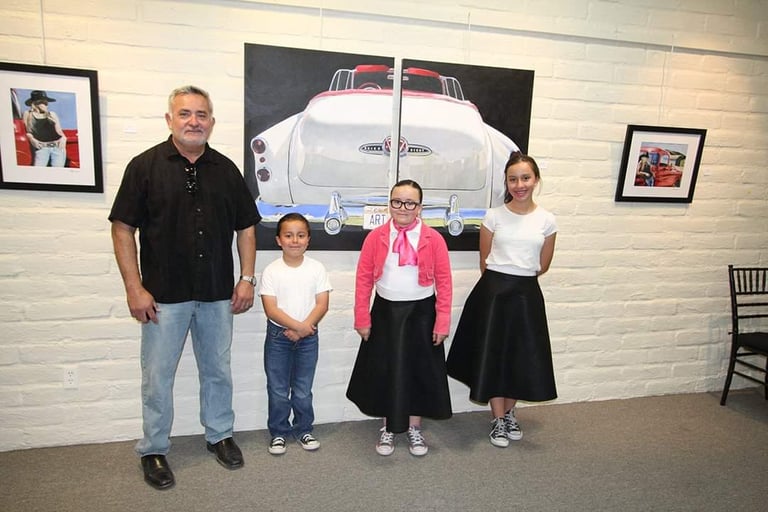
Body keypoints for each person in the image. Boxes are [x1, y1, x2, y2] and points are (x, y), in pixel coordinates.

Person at [109, 85, 261, 490]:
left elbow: (246, 227)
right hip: (162, 296)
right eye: (185, 114)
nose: (194, 122)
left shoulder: (226, 170)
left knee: (218, 370)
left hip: (216, 292)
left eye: (201, 114)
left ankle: (220, 435)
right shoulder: (144, 167)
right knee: (157, 376)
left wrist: (247, 278)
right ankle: (154, 449)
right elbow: (122, 229)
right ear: (169, 119)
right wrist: (134, 288)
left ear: (211, 121)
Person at [447, 151, 557, 448]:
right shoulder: (493, 216)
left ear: (536, 180)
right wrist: (502, 280)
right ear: (506, 183)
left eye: (525, 178)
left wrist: (520, 277)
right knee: (493, 355)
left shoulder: (547, 220)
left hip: (526, 295)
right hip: (494, 294)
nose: (519, 185)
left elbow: (543, 264)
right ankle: (497, 418)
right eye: (513, 179)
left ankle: (510, 413)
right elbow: (485, 261)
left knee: (520, 355)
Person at [346, 180, 453, 457]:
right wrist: (362, 317)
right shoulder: (376, 237)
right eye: (397, 201)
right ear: (389, 204)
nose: (402, 208)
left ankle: (414, 427)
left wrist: (442, 321)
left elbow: (444, 281)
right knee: (388, 369)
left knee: (417, 370)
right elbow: (363, 278)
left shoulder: (433, 239)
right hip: (386, 313)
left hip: (422, 314)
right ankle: (389, 426)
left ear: (419, 207)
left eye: (410, 203)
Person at [258, 213, 331, 456]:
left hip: (308, 337)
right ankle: (279, 432)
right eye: (288, 235)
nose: (295, 240)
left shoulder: (317, 268)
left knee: (302, 389)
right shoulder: (271, 271)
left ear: (308, 239)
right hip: (278, 337)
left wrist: (303, 328)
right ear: (279, 240)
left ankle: (303, 429)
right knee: (278, 388)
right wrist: (298, 327)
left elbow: (322, 304)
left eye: (300, 235)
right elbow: (271, 309)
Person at [22, 90, 67, 167]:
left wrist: (64, 138)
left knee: (57, 172)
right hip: (41, 148)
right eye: (44, 103)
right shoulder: (28, 114)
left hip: (58, 147)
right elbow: (28, 132)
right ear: (36, 103)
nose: (47, 105)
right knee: (38, 171)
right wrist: (32, 140)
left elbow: (59, 131)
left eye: (47, 103)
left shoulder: (52, 114)